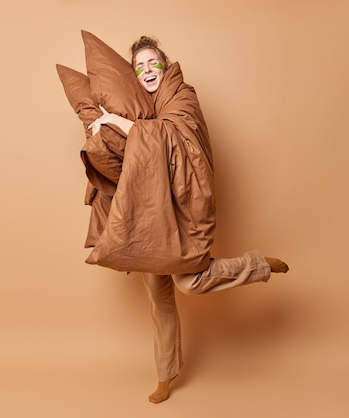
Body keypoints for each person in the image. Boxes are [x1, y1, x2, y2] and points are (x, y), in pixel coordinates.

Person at [87, 36, 289, 403]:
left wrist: (117, 121)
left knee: (189, 282)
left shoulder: (182, 96)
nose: (148, 71)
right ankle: (165, 375)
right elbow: (134, 154)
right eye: (140, 67)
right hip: (148, 210)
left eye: (153, 64)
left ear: (165, 65)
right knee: (158, 297)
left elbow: (169, 139)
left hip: (183, 206)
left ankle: (258, 265)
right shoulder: (141, 103)